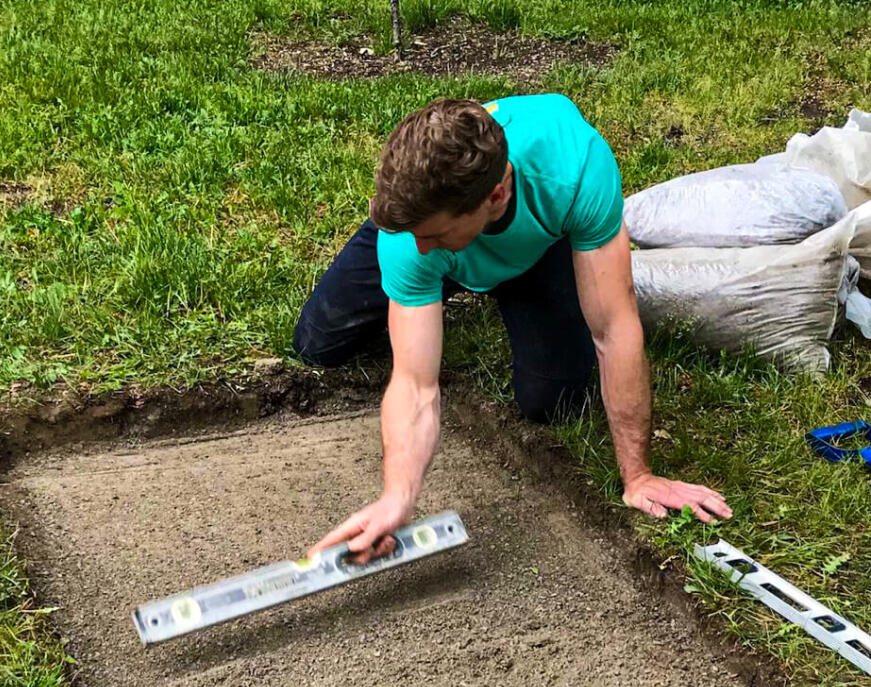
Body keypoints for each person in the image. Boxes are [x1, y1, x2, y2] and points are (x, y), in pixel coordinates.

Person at [295, 95, 730, 561]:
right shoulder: (409, 238)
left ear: (496, 195)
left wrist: (638, 475)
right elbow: (416, 383)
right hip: (445, 225)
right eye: (417, 234)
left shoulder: (575, 169)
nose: (420, 249)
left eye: (434, 235)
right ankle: (454, 268)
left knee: (552, 400)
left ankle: (501, 279)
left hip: (536, 251)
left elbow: (614, 328)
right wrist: (397, 495)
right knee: (319, 343)